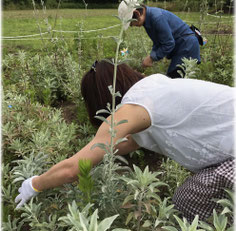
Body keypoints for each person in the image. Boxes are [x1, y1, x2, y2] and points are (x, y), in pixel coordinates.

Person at [15, 61, 235, 222]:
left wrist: (35, 184)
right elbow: (121, 145)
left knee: (188, 200)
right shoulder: (154, 88)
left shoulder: (134, 106)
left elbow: (74, 169)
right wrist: (90, 157)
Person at [118, 0, 201, 78]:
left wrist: (152, 58)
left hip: (187, 46)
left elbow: (169, 43)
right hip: (182, 46)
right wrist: (151, 55)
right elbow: (158, 41)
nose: (133, 26)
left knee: (174, 81)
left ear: (137, 14)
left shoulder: (157, 18)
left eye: (131, 24)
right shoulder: (147, 19)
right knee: (174, 80)